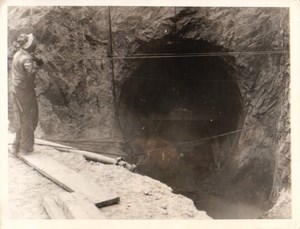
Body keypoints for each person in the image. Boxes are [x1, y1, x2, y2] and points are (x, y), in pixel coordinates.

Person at [10, 33, 43, 154]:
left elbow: (24, 61)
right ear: (29, 45)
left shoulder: (18, 54)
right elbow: (31, 72)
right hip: (25, 92)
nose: (34, 44)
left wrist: (33, 58)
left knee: (22, 118)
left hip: (16, 91)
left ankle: (16, 146)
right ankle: (26, 147)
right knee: (29, 118)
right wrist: (37, 65)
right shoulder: (26, 59)